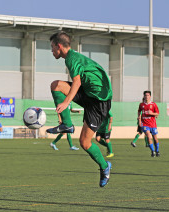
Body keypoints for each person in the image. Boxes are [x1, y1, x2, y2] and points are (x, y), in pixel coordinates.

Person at [46, 31, 112, 187]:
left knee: (85, 142)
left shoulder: (72, 59)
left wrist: (66, 102)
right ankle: (67, 125)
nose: (51, 51)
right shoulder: (71, 57)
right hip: (89, 93)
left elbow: (76, 83)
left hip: (98, 102)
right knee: (56, 85)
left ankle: (105, 167)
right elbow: (80, 82)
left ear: (59, 46)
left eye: (52, 47)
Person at [137, 90, 160, 157]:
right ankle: (153, 151)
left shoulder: (153, 104)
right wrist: (139, 120)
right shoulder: (141, 104)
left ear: (150, 96)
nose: (146, 96)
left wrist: (151, 113)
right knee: (149, 136)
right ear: (143, 96)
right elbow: (139, 112)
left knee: (155, 138)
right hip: (145, 124)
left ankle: (157, 151)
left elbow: (157, 113)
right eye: (145, 95)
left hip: (153, 124)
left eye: (148, 95)